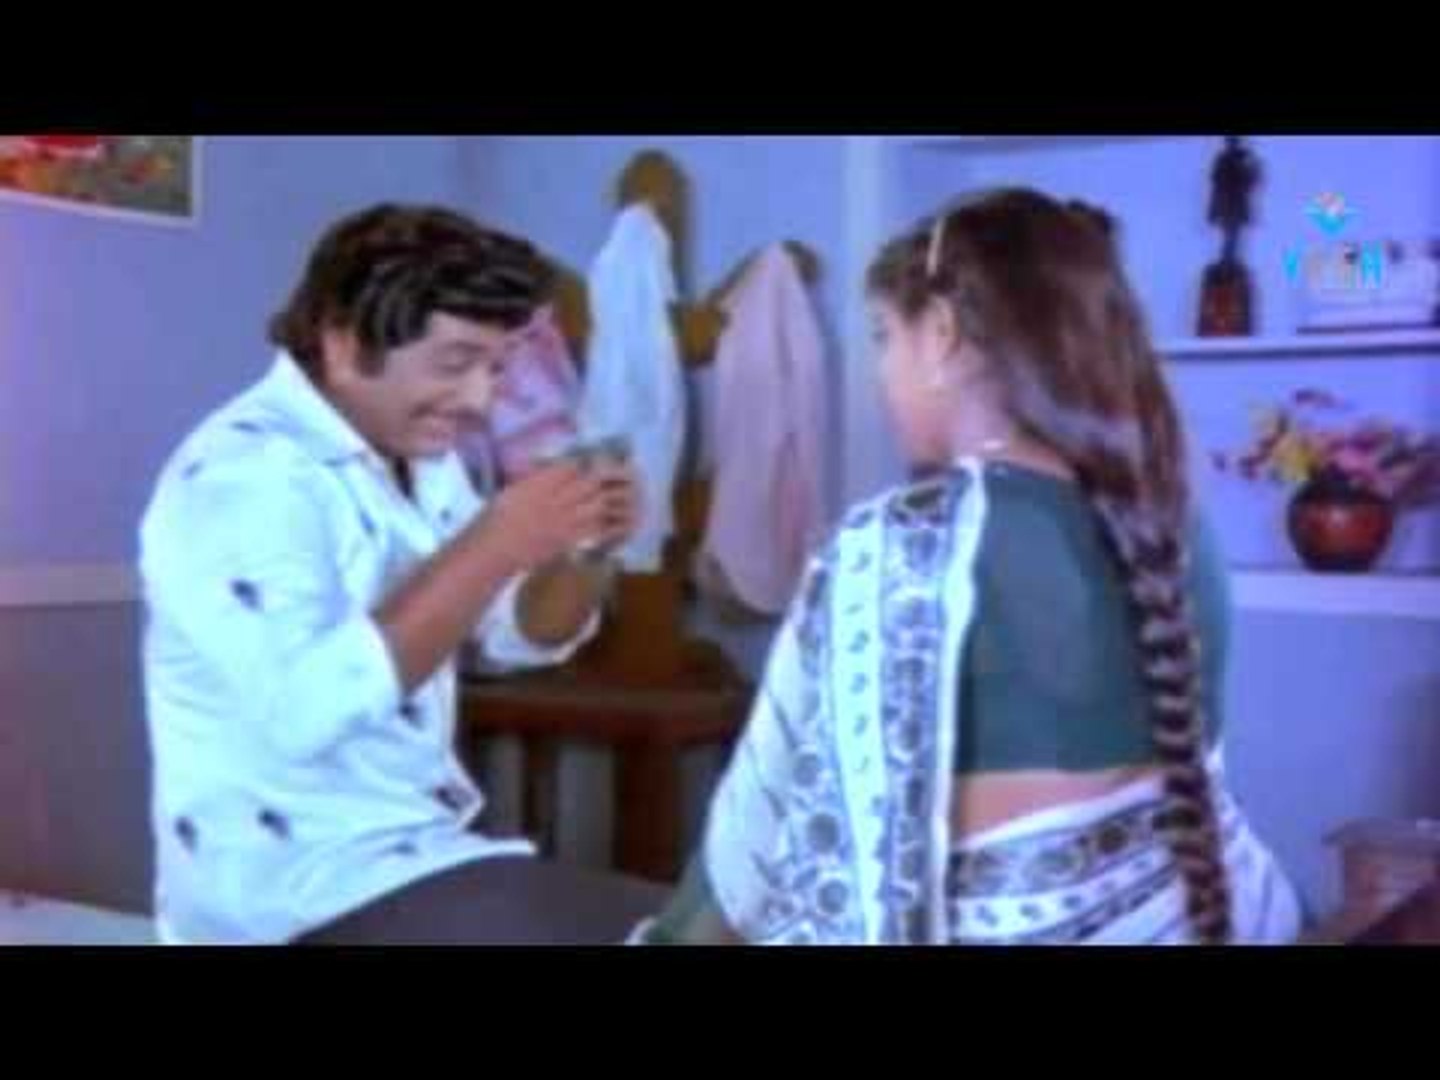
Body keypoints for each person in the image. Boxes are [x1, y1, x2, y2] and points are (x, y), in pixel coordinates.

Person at [637, 188, 1301, 945]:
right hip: (1226, 918)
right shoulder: (1177, 526)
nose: (879, 370)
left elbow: (755, 851)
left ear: (943, 334)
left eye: (884, 335)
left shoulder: (902, 548)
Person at [139, 203, 664, 945]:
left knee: (703, 930)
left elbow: (517, 634)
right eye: (455, 363)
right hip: (283, 901)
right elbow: (308, 710)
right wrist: (497, 541)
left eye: (497, 368)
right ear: (346, 346)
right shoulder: (242, 476)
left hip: (419, 854)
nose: (481, 400)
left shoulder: (421, 461)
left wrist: (585, 548)